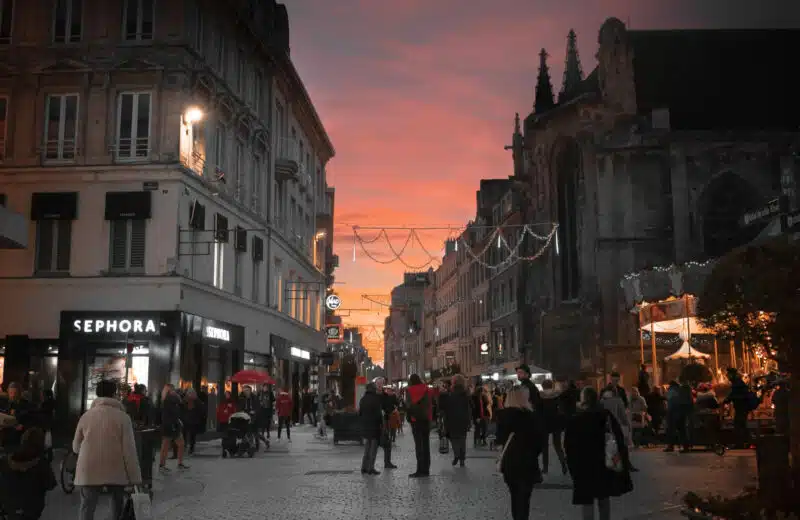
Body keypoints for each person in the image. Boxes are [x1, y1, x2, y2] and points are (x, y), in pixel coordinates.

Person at [72, 380, 142, 520]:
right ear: (114, 394)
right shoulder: (123, 418)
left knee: (87, 506)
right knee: (117, 504)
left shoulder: (86, 416)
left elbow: (75, 446)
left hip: (89, 467)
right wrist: (134, 477)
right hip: (115, 467)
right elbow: (129, 450)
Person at [565, 387, 633, 520]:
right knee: (603, 498)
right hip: (604, 463)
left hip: (584, 465)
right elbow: (618, 438)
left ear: (583, 400)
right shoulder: (606, 415)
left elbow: (569, 446)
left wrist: (572, 466)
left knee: (587, 501)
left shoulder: (577, 419)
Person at [496, 387, 543, 520]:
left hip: (510, 462)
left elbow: (499, 440)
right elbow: (539, 442)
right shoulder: (532, 416)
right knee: (525, 498)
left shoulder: (503, 415)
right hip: (528, 462)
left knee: (515, 496)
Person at [0, 427, 57, 519]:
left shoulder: (6, 460)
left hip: (8, 507)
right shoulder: (41, 462)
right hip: (31, 509)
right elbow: (50, 484)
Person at [158, 384, 188, 473]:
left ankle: (177, 463)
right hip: (170, 425)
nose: (175, 391)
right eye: (173, 389)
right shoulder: (170, 399)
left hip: (172, 424)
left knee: (177, 444)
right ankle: (163, 465)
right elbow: (176, 410)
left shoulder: (168, 399)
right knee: (166, 445)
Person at [406, 374, 432, 478]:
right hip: (426, 419)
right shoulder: (426, 389)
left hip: (415, 420)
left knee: (418, 444)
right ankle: (426, 469)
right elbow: (430, 404)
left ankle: (419, 469)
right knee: (426, 444)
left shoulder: (409, 390)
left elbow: (408, 405)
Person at [540, 379, 568, 475]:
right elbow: (561, 409)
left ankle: (545, 468)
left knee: (545, 446)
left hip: (544, 423)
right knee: (557, 445)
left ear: (543, 386)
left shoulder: (540, 396)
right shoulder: (557, 395)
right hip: (556, 423)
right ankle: (563, 463)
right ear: (551, 386)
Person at [444, 374, 471, 467]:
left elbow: (446, 406)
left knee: (454, 439)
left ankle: (457, 455)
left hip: (452, 418)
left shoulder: (450, 392)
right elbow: (469, 407)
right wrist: (469, 420)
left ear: (454, 382)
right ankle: (462, 459)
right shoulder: (466, 392)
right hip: (463, 418)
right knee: (462, 440)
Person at [358, 383, 383, 475]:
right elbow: (378, 414)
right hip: (374, 426)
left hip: (365, 426)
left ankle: (364, 467)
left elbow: (360, 413)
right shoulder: (376, 399)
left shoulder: (363, 399)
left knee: (367, 447)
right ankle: (370, 468)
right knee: (373, 448)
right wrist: (381, 424)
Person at [375, 378, 397, 469]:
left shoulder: (385, 396)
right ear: (376, 384)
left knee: (387, 444)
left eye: (382, 383)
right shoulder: (372, 395)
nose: (380, 385)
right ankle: (368, 466)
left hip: (384, 423)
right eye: (378, 384)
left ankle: (387, 463)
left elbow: (389, 407)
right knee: (373, 445)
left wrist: (389, 410)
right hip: (374, 423)